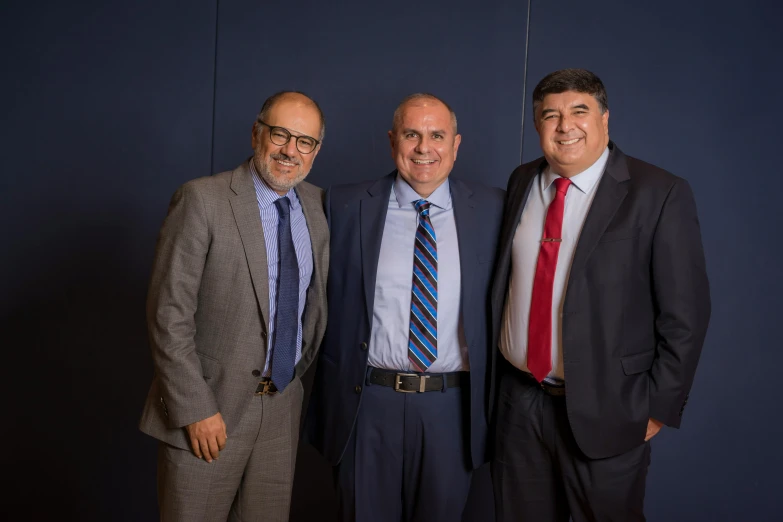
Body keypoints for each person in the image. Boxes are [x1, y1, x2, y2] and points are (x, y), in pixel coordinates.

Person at [490, 68, 711, 521]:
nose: (565, 125)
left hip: (609, 411)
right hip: (519, 405)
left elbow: (685, 316)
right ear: (537, 127)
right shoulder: (520, 183)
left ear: (605, 119)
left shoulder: (659, 193)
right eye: (550, 115)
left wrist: (654, 411)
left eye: (579, 111)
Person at [305, 93, 504, 521]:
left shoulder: (493, 209)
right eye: (412, 134)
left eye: (437, 135)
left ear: (456, 144)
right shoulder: (343, 204)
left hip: (452, 408)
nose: (424, 148)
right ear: (393, 139)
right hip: (366, 403)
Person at [139, 91, 329, 521]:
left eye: (305, 142)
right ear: (256, 133)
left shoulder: (318, 208)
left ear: (316, 151)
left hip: (280, 410)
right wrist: (195, 408)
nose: (289, 151)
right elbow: (168, 315)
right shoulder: (202, 201)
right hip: (208, 414)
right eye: (280, 134)